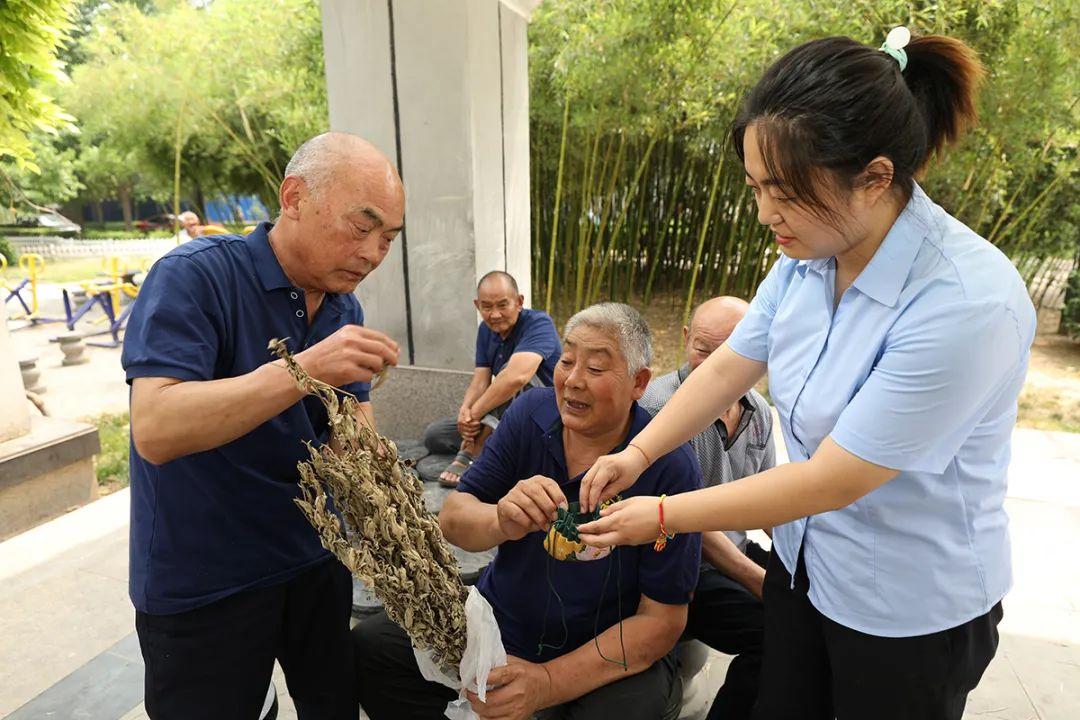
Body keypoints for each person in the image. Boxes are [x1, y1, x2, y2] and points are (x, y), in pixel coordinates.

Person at [577, 29, 1037, 720]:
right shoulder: (808, 252)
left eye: (785, 193)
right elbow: (733, 362)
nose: (766, 214)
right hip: (805, 569)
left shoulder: (966, 302)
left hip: (909, 611)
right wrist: (638, 453)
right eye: (757, 187)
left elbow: (832, 478)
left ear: (875, 177)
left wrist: (665, 515)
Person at [121, 132, 403, 720]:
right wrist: (304, 370)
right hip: (205, 578)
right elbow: (156, 427)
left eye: (388, 239)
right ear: (294, 196)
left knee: (331, 704)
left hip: (311, 555)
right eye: (363, 226)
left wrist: (395, 493)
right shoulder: (195, 276)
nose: (374, 253)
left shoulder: (343, 306)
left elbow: (349, 437)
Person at [354, 303, 702, 720]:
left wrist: (548, 683)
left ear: (639, 382)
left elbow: (660, 622)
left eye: (595, 369)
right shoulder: (529, 415)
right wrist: (500, 519)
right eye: (567, 360)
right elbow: (454, 520)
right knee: (372, 648)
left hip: (602, 650)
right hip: (500, 624)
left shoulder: (670, 466)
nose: (572, 381)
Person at [639, 295, 774, 720]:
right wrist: (759, 579)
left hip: (731, 548)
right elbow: (684, 520)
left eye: (731, 351)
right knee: (778, 638)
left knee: (815, 601)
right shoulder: (662, 409)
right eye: (703, 348)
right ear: (685, 339)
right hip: (683, 564)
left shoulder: (760, 411)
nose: (714, 364)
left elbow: (768, 500)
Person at [423, 270, 561, 486]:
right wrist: (466, 413)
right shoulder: (487, 330)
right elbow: (480, 380)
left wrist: (476, 413)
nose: (494, 314)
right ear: (477, 305)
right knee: (436, 435)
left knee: (512, 374)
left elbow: (517, 377)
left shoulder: (539, 323)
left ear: (519, 302)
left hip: (545, 417)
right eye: (487, 307)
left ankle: (473, 450)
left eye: (502, 305)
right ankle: (493, 444)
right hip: (504, 416)